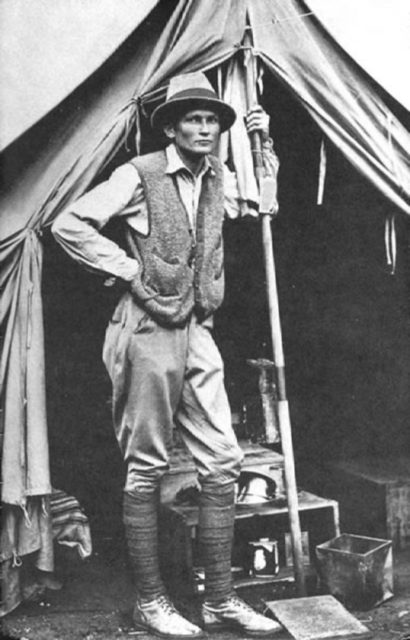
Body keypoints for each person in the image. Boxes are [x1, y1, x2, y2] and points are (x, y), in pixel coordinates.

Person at [52, 71, 281, 638]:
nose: (204, 128)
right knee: (148, 465)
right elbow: (68, 223)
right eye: (193, 119)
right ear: (172, 127)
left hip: (196, 326)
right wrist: (131, 272)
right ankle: (150, 602)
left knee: (224, 459)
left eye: (211, 120)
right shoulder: (139, 174)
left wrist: (264, 145)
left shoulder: (217, 176)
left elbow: (262, 206)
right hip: (145, 329)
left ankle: (221, 600)